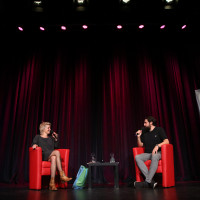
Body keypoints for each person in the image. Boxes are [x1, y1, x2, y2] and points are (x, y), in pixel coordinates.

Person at [32, 122, 72, 191]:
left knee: (54, 158)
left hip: (51, 155)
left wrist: (56, 139)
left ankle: (52, 183)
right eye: (48, 128)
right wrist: (34, 145)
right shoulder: (38, 137)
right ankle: (62, 175)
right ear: (43, 129)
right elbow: (33, 144)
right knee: (56, 152)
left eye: (50, 128)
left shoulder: (51, 138)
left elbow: (56, 147)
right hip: (43, 155)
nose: (50, 129)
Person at [134, 116, 169, 189]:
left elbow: (167, 141)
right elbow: (140, 145)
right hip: (149, 153)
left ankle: (147, 182)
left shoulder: (159, 130)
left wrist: (157, 146)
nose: (144, 124)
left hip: (159, 153)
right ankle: (150, 182)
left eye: (145, 123)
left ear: (151, 123)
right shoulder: (145, 132)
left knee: (155, 156)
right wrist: (138, 137)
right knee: (137, 157)